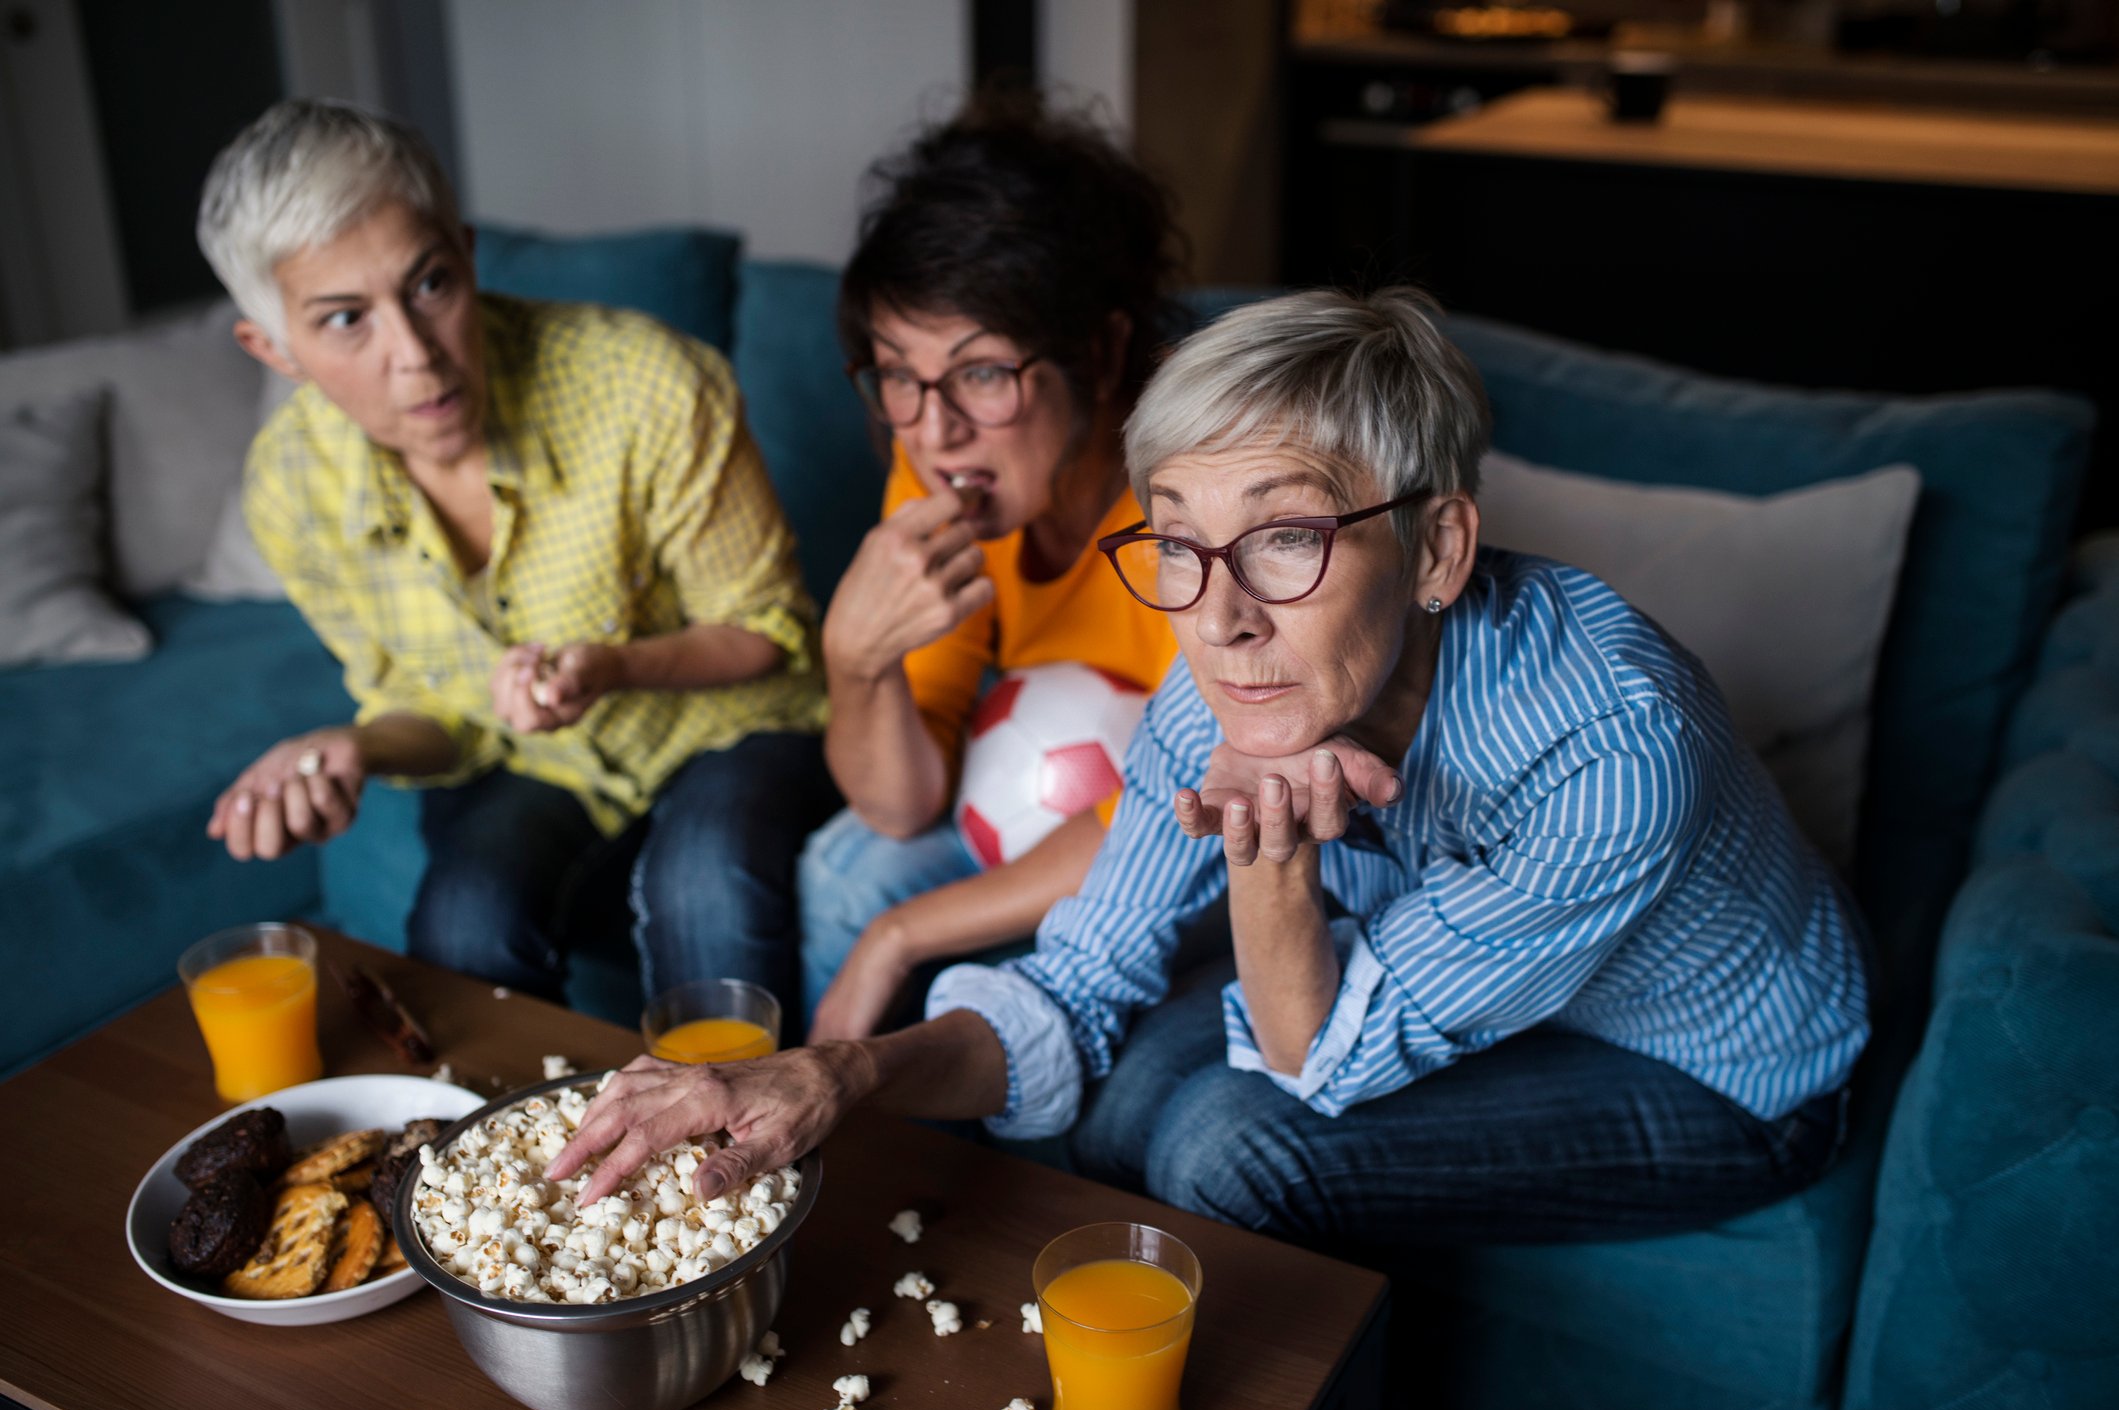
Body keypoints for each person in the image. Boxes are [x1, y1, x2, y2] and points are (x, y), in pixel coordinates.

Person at [550, 287, 1870, 1252]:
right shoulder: (1223, 677)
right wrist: (831, 1073)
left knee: (1221, 1148)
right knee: (1117, 1096)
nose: (1219, 616)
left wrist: (1271, 860)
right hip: (1450, 971)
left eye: (1285, 537)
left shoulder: (1609, 746)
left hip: (1728, 1069)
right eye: (1174, 543)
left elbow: (1307, 1057)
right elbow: (1071, 985)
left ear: (1435, 549)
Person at [196, 100, 837, 1010]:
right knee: (464, 925)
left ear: (464, 252)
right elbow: (426, 711)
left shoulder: (652, 383)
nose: (415, 355)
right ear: (274, 350)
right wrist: (353, 747)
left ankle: (745, 1154)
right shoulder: (288, 488)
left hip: (729, 722)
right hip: (537, 765)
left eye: (429, 285)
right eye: (346, 320)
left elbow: (765, 630)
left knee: (706, 888)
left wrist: (612, 666)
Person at [800, 95, 1193, 1042]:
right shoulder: (940, 462)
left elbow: (1180, 817)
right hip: (1058, 815)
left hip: (1211, 835)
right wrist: (857, 663)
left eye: (982, 373)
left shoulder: (1200, 498)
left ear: (1099, 353)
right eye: (897, 373)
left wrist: (898, 935)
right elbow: (900, 806)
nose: (934, 433)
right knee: (846, 862)